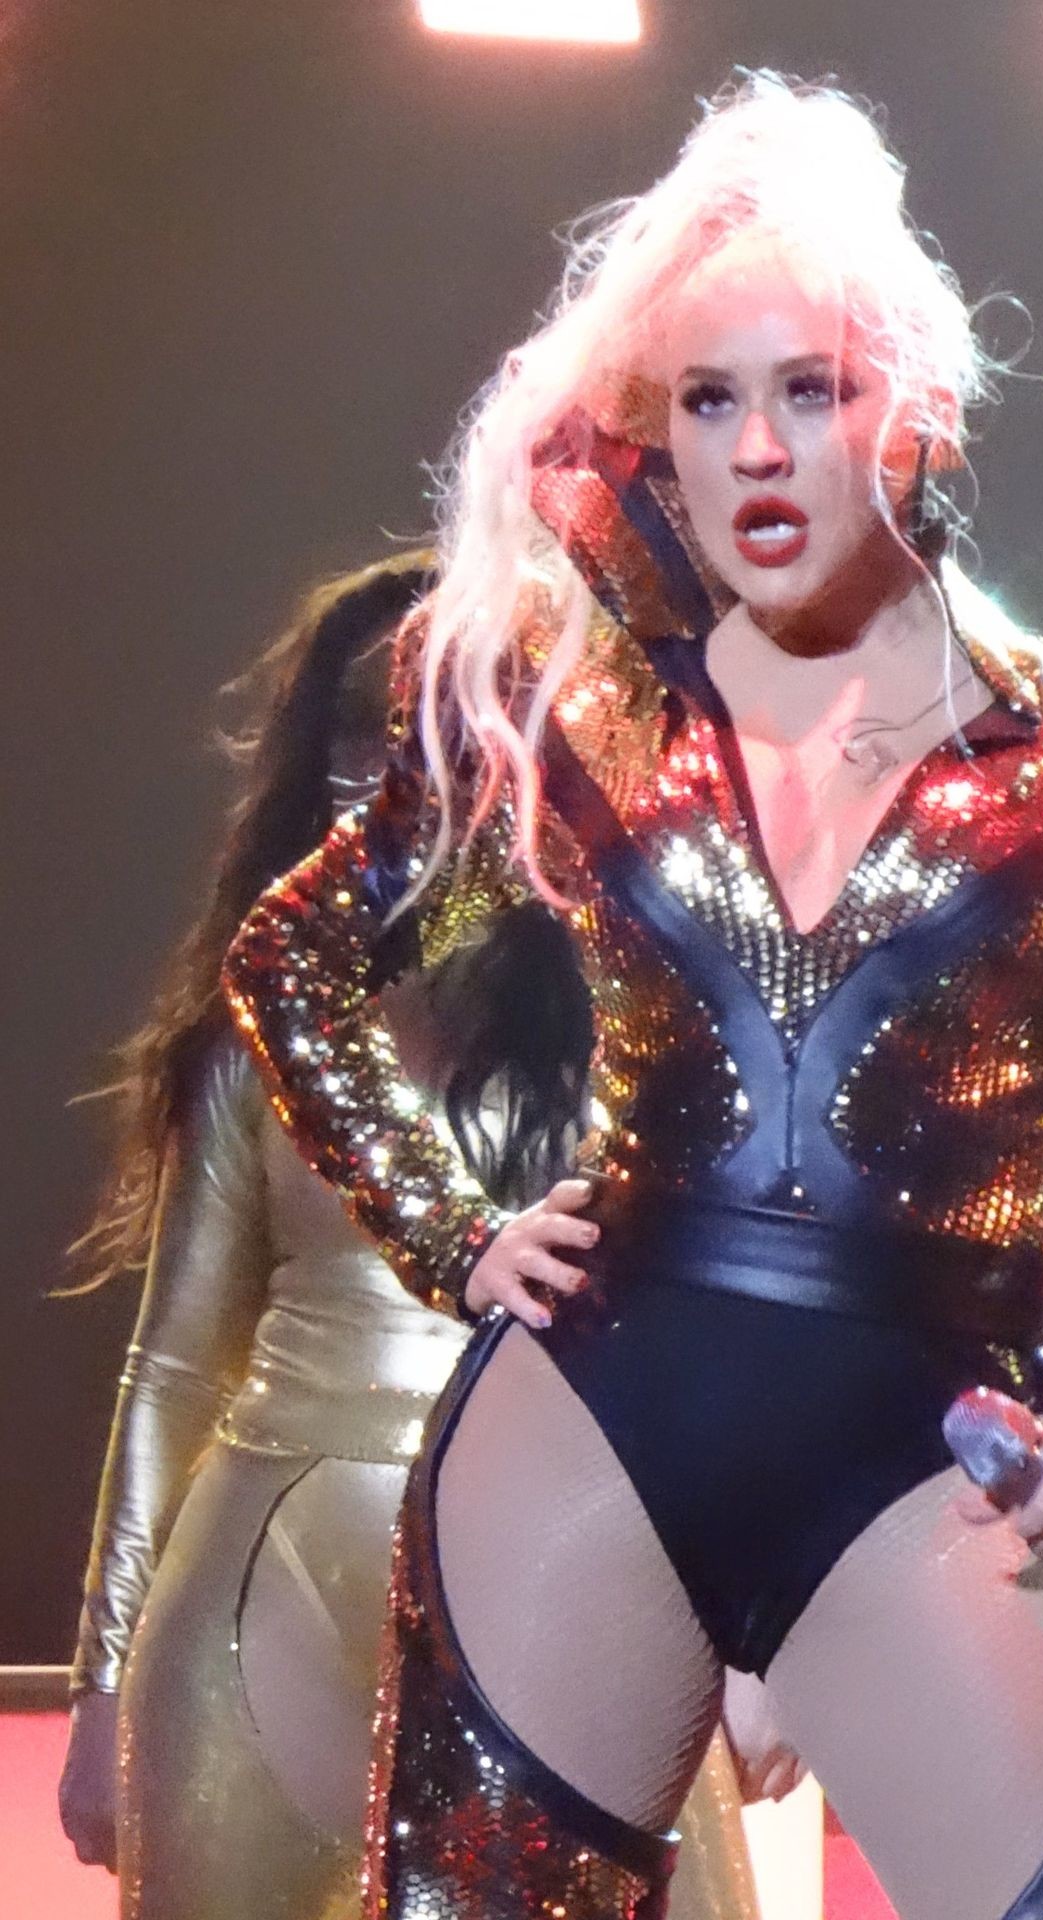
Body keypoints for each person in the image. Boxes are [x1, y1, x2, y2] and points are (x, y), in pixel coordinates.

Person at [222, 73, 1043, 1920]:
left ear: (922, 406)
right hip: (583, 1436)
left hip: (926, 1460)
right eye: (704, 402)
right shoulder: (574, 727)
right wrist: (452, 1234)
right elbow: (291, 957)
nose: (753, 451)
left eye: (809, 392)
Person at [58, 555, 771, 1920]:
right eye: (359, 734)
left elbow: (722, 1340)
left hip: (579, 1585)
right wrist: (102, 1687)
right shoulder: (257, 1029)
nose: (397, 772)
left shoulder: (638, 1017)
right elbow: (174, 1369)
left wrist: (753, 1639)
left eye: (444, 724)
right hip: (264, 1596)